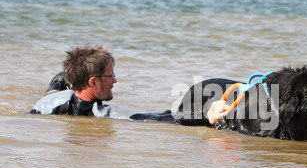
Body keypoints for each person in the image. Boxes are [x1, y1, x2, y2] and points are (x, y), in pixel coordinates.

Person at [30, 45, 227, 124]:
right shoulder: (100, 111)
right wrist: (206, 117)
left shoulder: (47, 106)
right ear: (93, 82)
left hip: (57, 94)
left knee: (59, 84)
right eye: (110, 76)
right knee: (56, 86)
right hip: (54, 95)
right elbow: (152, 119)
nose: (114, 81)